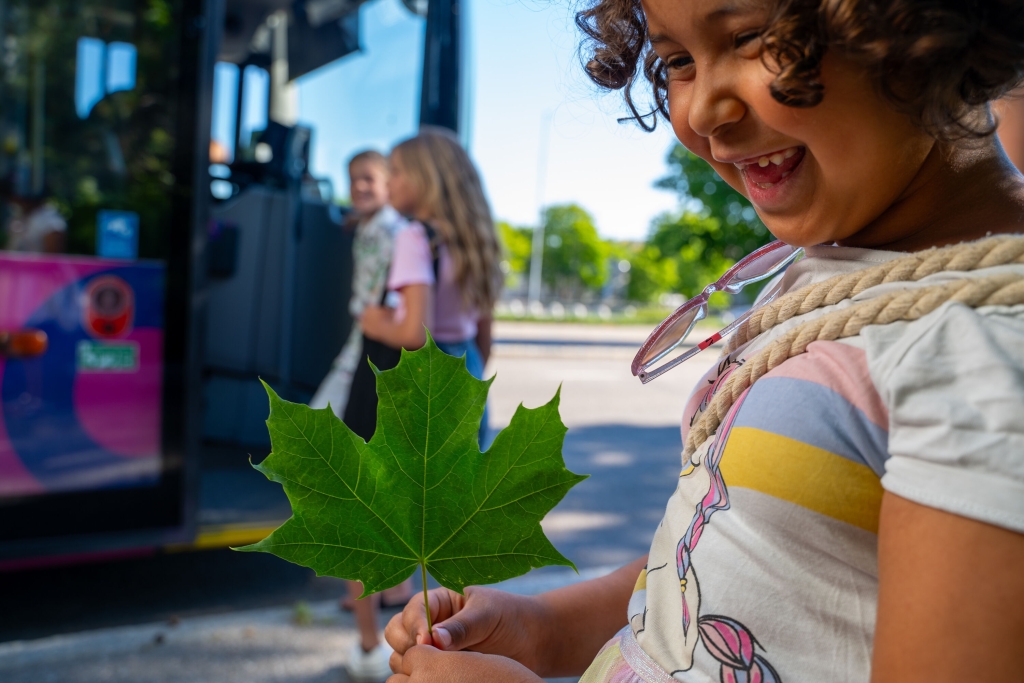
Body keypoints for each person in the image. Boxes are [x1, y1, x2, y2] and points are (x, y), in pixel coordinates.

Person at [383, 1, 1024, 682]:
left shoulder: (985, 357)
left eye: (752, 40)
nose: (702, 111)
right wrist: (544, 630)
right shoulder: (828, 265)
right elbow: (726, 557)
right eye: (676, 62)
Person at [307, 149, 413, 683]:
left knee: (341, 483)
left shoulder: (392, 232)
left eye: (369, 179)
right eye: (354, 181)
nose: (361, 188)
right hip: (365, 346)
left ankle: (371, 633)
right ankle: (389, 588)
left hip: (370, 350)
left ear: (392, 183)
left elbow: (390, 306)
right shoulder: (379, 226)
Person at [360, 127, 502, 446]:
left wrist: (375, 323)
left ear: (426, 178)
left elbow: (415, 335)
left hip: (427, 377)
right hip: (467, 365)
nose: (387, 182)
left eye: (395, 172)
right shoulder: (477, 242)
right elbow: (485, 340)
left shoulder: (414, 237)